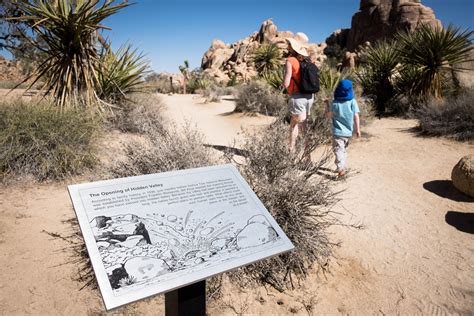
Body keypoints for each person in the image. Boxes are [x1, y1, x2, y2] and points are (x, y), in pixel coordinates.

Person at [282, 33, 314, 156]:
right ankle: (307, 157)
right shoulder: (308, 60)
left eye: (289, 44)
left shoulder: (290, 60)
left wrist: (283, 86)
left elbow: (286, 82)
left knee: (294, 125)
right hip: (309, 97)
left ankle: (291, 154)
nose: (287, 46)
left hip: (297, 97)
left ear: (293, 46)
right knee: (304, 126)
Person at [325, 79, 361, 177]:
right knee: (343, 149)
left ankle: (341, 169)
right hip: (348, 132)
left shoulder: (334, 103)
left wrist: (327, 105)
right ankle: (342, 167)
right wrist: (357, 129)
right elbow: (356, 116)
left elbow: (328, 115)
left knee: (338, 150)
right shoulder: (352, 102)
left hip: (337, 132)